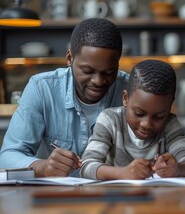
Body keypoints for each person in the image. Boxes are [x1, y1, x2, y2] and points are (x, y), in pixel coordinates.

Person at [0, 18, 129, 177]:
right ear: (69, 58)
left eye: (109, 72)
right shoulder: (42, 89)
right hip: (55, 197)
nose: (98, 81)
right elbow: (7, 156)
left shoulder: (131, 90)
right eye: (87, 71)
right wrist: (43, 166)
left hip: (115, 195)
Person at [80, 60, 185, 180]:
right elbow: (86, 166)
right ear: (125, 98)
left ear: (170, 105)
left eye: (159, 117)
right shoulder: (110, 120)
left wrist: (178, 169)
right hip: (114, 198)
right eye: (139, 113)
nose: (146, 124)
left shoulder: (169, 124)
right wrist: (123, 173)